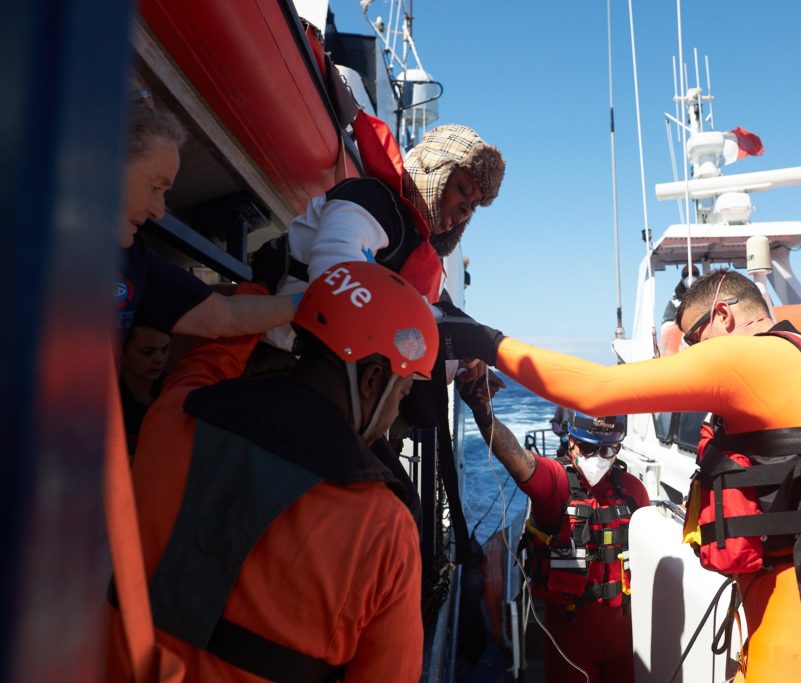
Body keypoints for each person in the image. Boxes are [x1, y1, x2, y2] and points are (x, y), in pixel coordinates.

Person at [436, 271, 801, 683]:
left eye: (694, 344)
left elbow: (595, 391)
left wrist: (484, 340)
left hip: (798, 641)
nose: (692, 363)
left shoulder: (752, 355)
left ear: (723, 315)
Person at [106, 262, 435, 682]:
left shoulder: (173, 414)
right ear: (373, 381)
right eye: (402, 392)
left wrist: (259, 293)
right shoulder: (386, 531)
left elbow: (212, 357)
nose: (395, 411)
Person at [459, 375, 648, 683]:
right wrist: (483, 412)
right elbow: (519, 462)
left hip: (625, 637)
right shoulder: (556, 484)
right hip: (569, 640)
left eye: (607, 451)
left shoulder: (633, 490)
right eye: (588, 449)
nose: (597, 460)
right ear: (571, 442)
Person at [263, 120, 505, 353]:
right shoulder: (369, 199)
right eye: (463, 190)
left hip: (318, 366)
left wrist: (464, 361)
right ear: (434, 170)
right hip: (274, 355)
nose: (466, 211)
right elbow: (334, 282)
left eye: (474, 206)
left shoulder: (413, 245)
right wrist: (439, 318)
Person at [116, 94, 295, 348]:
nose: (158, 212)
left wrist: (308, 301)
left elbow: (226, 317)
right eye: (155, 188)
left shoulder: (134, 260)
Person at [118, 325, 170, 457]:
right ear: (121, 353)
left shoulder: (171, 387)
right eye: (147, 352)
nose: (159, 359)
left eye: (165, 350)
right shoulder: (110, 400)